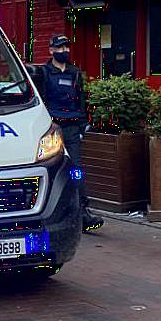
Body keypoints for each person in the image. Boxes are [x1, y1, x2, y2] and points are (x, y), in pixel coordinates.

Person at [41, 34, 103, 233]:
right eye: (60, 48)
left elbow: (80, 100)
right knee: (51, 170)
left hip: (71, 128)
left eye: (66, 48)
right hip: (51, 129)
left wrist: (84, 124)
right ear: (51, 50)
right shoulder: (43, 73)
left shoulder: (74, 72)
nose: (64, 51)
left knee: (75, 170)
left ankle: (83, 213)